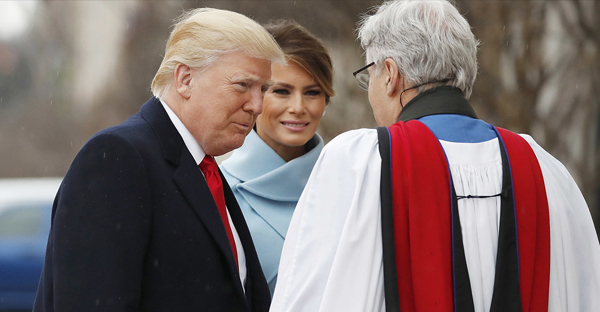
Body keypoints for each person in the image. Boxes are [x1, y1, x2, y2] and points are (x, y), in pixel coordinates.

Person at [270, 1, 600, 312]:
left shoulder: (361, 163)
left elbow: (306, 297)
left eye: (368, 74)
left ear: (390, 74)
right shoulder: (543, 167)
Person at [34, 8, 285, 312]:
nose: (257, 105)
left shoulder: (202, 167)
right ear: (185, 79)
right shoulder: (118, 158)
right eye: (243, 85)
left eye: (263, 89)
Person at [220, 20, 334, 296]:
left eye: (312, 92)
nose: (298, 108)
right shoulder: (217, 191)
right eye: (281, 91)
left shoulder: (351, 183)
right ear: (254, 97)